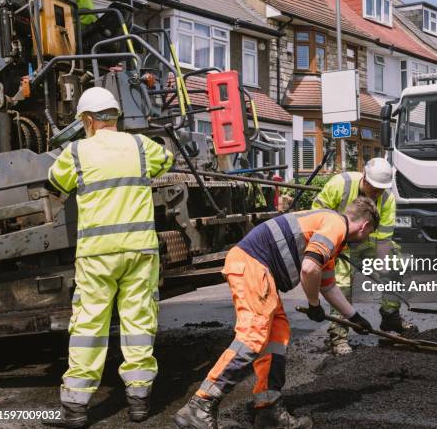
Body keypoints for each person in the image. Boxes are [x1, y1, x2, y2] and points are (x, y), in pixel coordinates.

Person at [174, 197, 378, 429]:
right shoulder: (335, 225)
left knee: (276, 336)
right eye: (369, 233)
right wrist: (313, 305)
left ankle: (268, 409)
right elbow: (310, 268)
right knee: (252, 336)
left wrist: (354, 318)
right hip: (253, 265)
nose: (367, 238)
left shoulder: (331, 237)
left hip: (262, 272)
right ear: (364, 226)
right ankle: (200, 404)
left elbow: (327, 285)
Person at [45, 87, 174, 427]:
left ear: (87, 120)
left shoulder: (76, 151)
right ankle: (139, 403)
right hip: (140, 251)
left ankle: (75, 409)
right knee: (138, 323)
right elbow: (168, 161)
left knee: (89, 325)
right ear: (115, 117)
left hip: (97, 255)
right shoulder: (140, 146)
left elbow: (55, 182)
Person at [311, 158, 413, 356]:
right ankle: (338, 336)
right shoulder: (341, 184)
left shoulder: (387, 199)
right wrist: (332, 244)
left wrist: (384, 270)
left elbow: (383, 239)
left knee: (395, 263)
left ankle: (390, 316)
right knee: (340, 283)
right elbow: (317, 215)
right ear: (364, 177)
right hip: (337, 243)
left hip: (367, 243)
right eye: (374, 189)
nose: (377, 194)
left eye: (381, 190)